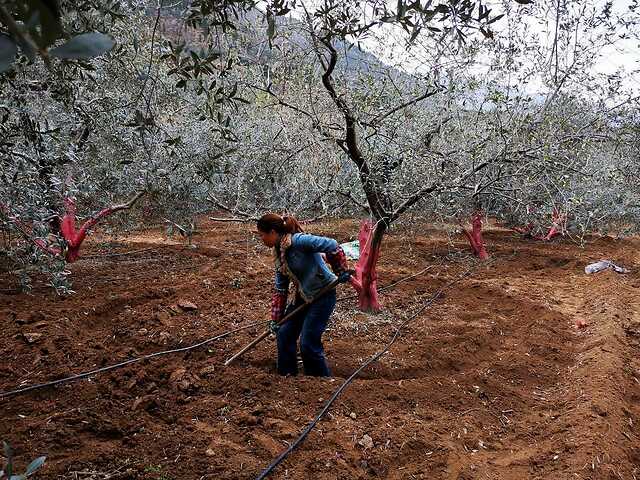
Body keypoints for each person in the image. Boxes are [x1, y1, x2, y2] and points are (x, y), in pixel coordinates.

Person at [256, 213, 351, 377]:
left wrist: (340, 270)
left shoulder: (298, 241)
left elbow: (332, 245)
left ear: (272, 232)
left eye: (262, 235)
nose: (261, 239)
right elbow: (280, 289)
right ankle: (287, 377)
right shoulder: (279, 254)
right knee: (284, 333)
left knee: (308, 343)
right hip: (302, 296)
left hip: (323, 294)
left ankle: (320, 381)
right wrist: (275, 319)